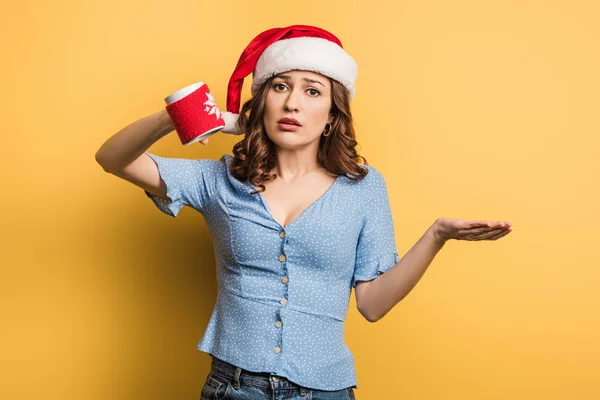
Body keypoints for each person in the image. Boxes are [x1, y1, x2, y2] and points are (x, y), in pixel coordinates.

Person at [95, 25, 512, 400]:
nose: (292, 102)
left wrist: (436, 235)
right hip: (234, 388)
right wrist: (179, 114)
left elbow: (372, 305)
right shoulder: (219, 180)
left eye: (312, 90)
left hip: (326, 390)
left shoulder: (364, 188)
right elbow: (112, 158)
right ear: (261, 103)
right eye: (279, 87)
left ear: (332, 116)